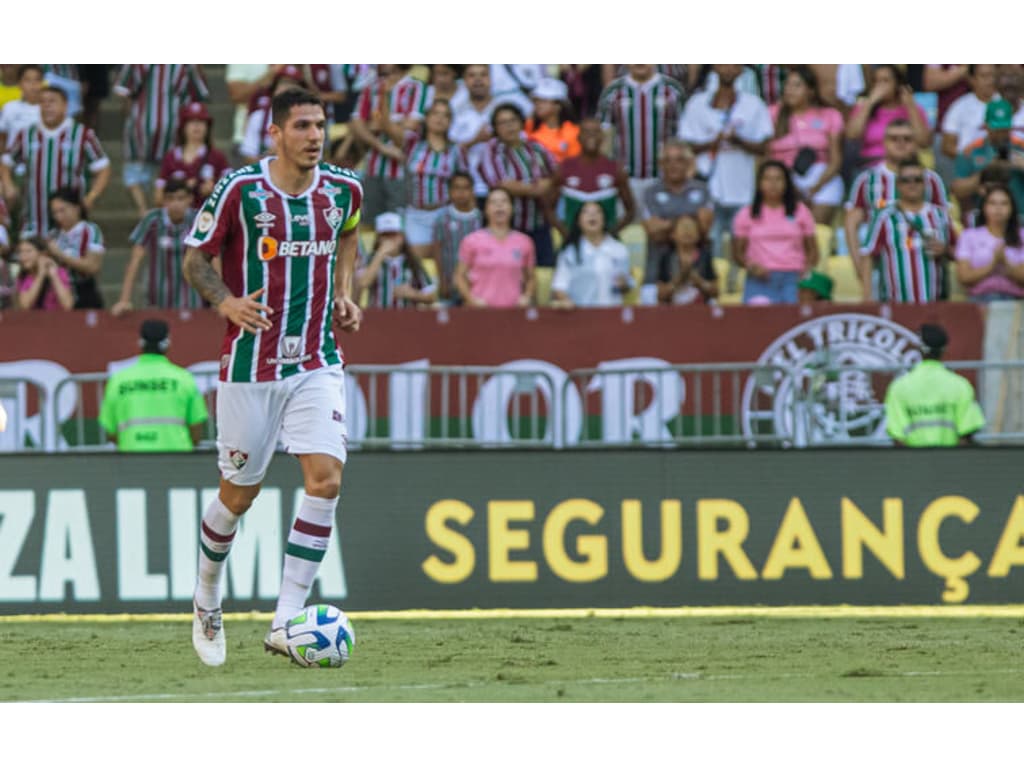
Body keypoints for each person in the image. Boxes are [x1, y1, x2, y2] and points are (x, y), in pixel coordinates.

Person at [181, 87, 364, 667]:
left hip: (316, 359)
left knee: (326, 479)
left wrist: (343, 292)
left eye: (321, 125)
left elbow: (351, 230)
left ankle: (286, 620)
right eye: (304, 126)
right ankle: (207, 594)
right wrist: (226, 302)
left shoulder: (343, 189)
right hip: (249, 366)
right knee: (238, 496)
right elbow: (194, 258)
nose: (315, 136)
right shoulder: (240, 189)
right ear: (276, 133)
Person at [677, 64, 773, 290]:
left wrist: (737, 140)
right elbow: (685, 144)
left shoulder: (753, 105)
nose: (728, 67)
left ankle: (738, 292)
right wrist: (715, 142)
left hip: (742, 189)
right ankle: (713, 290)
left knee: (742, 247)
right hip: (708, 189)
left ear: (741, 70)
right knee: (710, 245)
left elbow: (764, 147)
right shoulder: (697, 104)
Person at [844, 119, 948, 289]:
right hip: (880, 265)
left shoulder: (931, 180)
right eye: (894, 139)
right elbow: (851, 224)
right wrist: (860, 267)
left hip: (925, 264)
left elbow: (944, 221)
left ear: (916, 144)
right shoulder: (867, 180)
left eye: (907, 139)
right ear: (884, 142)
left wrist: (942, 248)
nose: (901, 144)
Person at [0, 85, 111, 237]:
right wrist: (8, 184)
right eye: (43, 102)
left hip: (70, 224)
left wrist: (91, 197)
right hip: (34, 220)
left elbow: (103, 168)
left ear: (65, 106)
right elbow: (6, 161)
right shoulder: (27, 134)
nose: (47, 106)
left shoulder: (82, 135)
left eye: (52, 101)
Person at [376, 98, 467, 265]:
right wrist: (386, 93)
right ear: (426, 117)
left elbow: (464, 184)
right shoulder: (412, 144)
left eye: (445, 115)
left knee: (447, 262)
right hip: (415, 213)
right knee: (415, 261)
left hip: (444, 213)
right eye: (435, 114)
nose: (440, 118)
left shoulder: (456, 150)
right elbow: (387, 126)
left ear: (451, 121)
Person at [112, 64, 209, 217]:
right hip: (172, 125)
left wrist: (130, 115)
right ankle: (159, 213)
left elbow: (123, 91)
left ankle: (144, 211)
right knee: (167, 171)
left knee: (137, 171)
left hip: (141, 125)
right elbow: (199, 94)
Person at [98, 319, 209, 452]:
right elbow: (196, 429)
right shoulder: (184, 379)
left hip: (131, 456)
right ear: (168, 343)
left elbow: (110, 431)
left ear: (140, 342)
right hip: (177, 458)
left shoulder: (118, 380)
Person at [861, 157, 956, 303]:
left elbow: (958, 252)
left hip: (935, 304)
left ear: (925, 183)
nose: (912, 185)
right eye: (906, 180)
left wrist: (945, 250)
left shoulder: (940, 216)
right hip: (895, 305)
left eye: (917, 180)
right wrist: (867, 296)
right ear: (898, 185)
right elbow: (868, 254)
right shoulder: (885, 217)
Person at [599, 64, 687, 215]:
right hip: (626, 178)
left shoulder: (672, 89)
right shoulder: (613, 91)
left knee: (661, 230)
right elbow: (605, 137)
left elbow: (683, 135)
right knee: (626, 230)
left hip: (661, 178)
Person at [478, 103, 557, 266]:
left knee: (543, 272)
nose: (509, 126)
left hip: (539, 224)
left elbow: (557, 177)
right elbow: (500, 184)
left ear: (521, 123)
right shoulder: (492, 150)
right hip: (508, 228)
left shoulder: (536, 148)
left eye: (512, 120)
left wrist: (522, 187)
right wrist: (537, 188)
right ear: (495, 128)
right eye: (502, 123)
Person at [731, 160, 818, 305]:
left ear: (786, 183)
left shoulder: (801, 211)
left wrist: (805, 272)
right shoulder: (746, 214)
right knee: (757, 321)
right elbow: (737, 253)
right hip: (759, 277)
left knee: (792, 320)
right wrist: (751, 267)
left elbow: (813, 251)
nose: (773, 184)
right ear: (759, 183)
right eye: (768, 179)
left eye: (778, 179)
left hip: (793, 277)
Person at [884, 324, 985, 447]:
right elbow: (967, 433)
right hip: (950, 462)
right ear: (944, 349)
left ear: (919, 349)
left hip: (913, 462)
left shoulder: (899, 387)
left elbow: (897, 437)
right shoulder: (960, 385)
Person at [349, 64, 428, 221]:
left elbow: (404, 135)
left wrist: (377, 121)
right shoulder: (371, 87)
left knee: (397, 226)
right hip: (372, 168)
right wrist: (382, 147)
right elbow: (356, 124)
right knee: (369, 224)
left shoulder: (416, 87)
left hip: (402, 169)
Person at [639, 139, 713, 304]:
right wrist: (687, 221)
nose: (673, 165)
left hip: (698, 278)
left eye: (679, 160)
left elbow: (704, 229)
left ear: (688, 163)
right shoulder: (650, 192)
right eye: (668, 160)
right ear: (660, 164)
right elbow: (654, 232)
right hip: (656, 276)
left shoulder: (701, 190)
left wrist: (667, 223)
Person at [769, 66, 845, 224]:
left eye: (797, 85)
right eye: (787, 85)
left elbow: (836, 160)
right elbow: (765, 155)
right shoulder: (772, 113)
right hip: (782, 177)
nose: (790, 90)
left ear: (811, 91)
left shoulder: (830, 115)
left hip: (822, 176)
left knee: (814, 228)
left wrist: (814, 189)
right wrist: (790, 187)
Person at [113, 179, 200, 315]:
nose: (175, 204)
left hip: (191, 294)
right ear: (164, 201)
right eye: (170, 199)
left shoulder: (198, 220)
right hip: (158, 294)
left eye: (181, 198)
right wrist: (124, 300)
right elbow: (135, 260)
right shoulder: (152, 220)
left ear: (190, 199)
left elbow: (214, 258)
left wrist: (220, 300)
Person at [549, 116, 636, 239]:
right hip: (574, 245)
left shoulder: (615, 169)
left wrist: (612, 234)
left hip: (606, 246)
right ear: (578, 137)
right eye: (586, 132)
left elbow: (631, 210)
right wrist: (566, 233)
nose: (591, 136)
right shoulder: (564, 168)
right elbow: (548, 208)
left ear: (602, 137)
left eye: (596, 132)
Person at [455, 186, 535, 308]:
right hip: (481, 311)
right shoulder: (472, 240)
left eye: (504, 202)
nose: (499, 206)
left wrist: (526, 297)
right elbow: (459, 276)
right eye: (494, 203)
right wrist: (471, 300)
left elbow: (531, 277)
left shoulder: (524, 242)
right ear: (486, 209)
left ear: (512, 208)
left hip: (513, 311)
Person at [550, 200, 633, 308]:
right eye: (586, 212)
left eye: (597, 212)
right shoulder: (570, 253)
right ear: (578, 221)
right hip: (581, 315)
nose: (592, 215)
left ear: (604, 219)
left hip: (612, 313)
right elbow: (559, 286)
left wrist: (623, 284)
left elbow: (627, 285)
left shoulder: (619, 249)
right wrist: (566, 302)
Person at [845, 65, 931, 168]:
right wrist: (870, 102)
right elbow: (851, 135)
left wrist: (910, 106)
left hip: (906, 165)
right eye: (876, 82)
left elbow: (924, 142)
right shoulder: (863, 108)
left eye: (885, 81)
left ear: (897, 84)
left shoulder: (913, 108)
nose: (880, 86)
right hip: (871, 164)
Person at [952, 100, 1024, 215]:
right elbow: (958, 190)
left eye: (1004, 128)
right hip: (984, 220)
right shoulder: (972, 151)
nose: (1001, 133)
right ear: (986, 125)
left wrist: (1021, 165)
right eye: (996, 129)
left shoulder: (1021, 147)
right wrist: (985, 173)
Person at [154, 101, 231, 209]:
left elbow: (231, 192)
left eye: (201, 121)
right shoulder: (171, 157)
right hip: (179, 222)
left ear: (207, 127)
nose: (196, 125)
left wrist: (214, 191)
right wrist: (180, 192)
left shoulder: (218, 157)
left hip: (207, 219)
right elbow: (158, 198)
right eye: (191, 121)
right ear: (183, 126)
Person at [955, 184, 1024, 301]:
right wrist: (992, 265)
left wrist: (1005, 263)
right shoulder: (969, 236)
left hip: (1016, 299)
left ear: (1012, 208)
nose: (998, 208)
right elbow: (964, 277)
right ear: (984, 207)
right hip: (979, 299)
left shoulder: (1021, 236)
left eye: (1004, 203)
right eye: (992, 203)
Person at [356, 212, 436, 308]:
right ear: (378, 238)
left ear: (402, 237)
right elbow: (363, 283)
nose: (390, 239)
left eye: (393, 234)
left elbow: (431, 296)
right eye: (385, 235)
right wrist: (380, 254)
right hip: (378, 316)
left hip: (407, 317)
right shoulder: (370, 259)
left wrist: (413, 294)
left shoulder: (412, 261)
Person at [448, 64, 499, 205]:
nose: (478, 80)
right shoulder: (455, 111)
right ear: (464, 80)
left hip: (499, 186)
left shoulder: (502, 109)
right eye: (472, 75)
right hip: (465, 190)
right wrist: (475, 140)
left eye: (483, 75)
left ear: (491, 78)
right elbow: (447, 149)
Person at [45, 187, 104, 309]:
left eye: (62, 210)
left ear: (76, 208)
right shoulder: (53, 234)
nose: (59, 217)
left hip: (83, 289)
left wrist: (60, 255)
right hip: (58, 290)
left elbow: (93, 267)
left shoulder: (90, 231)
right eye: (55, 212)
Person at [239, 66, 310, 164]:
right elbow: (248, 158)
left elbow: (315, 160)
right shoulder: (258, 117)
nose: (288, 89)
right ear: (274, 90)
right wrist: (271, 157)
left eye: (294, 85)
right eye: (283, 84)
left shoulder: (310, 119)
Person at [430, 171, 482, 303]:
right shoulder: (442, 219)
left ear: (472, 191)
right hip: (449, 284)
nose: (461, 192)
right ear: (449, 191)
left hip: (477, 286)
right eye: (456, 188)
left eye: (465, 188)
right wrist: (442, 281)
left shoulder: (481, 218)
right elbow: (437, 250)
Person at [940, 65, 999, 162]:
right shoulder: (959, 107)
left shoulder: (1008, 104)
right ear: (972, 80)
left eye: (993, 76)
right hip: (968, 163)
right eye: (984, 76)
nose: (990, 81)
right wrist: (971, 158)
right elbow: (947, 146)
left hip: (1002, 163)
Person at [660, 214, 718, 305]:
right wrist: (679, 278)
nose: (687, 231)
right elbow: (661, 295)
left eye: (691, 227)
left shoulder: (705, 256)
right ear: (673, 234)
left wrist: (698, 281)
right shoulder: (667, 257)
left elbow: (715, 292)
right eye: (683, 227)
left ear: (698, 234)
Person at [525, 78, 580, 164]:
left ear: (558, 105)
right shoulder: (528, 126)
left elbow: (574, 164)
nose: (538, 105)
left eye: (543, 101)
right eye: (536, 101)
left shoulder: (573, 131)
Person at [14, 235, 74, 310]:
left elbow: (68, 305)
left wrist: (54, 276)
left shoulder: (59, 272)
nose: (23, 256)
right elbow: (25, 305)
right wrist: (40, 275)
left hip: (57, 320)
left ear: (42, 254)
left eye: (28, 251)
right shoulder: (23, 277)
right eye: (20, 252)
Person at [0, 65, 43, 151]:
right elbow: (2, 138)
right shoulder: (10, 107)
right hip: (12, 160)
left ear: (43, 83)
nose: (33, 84)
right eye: (27, 80)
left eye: (37, 80)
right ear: (19, 84)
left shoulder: (47, 108)